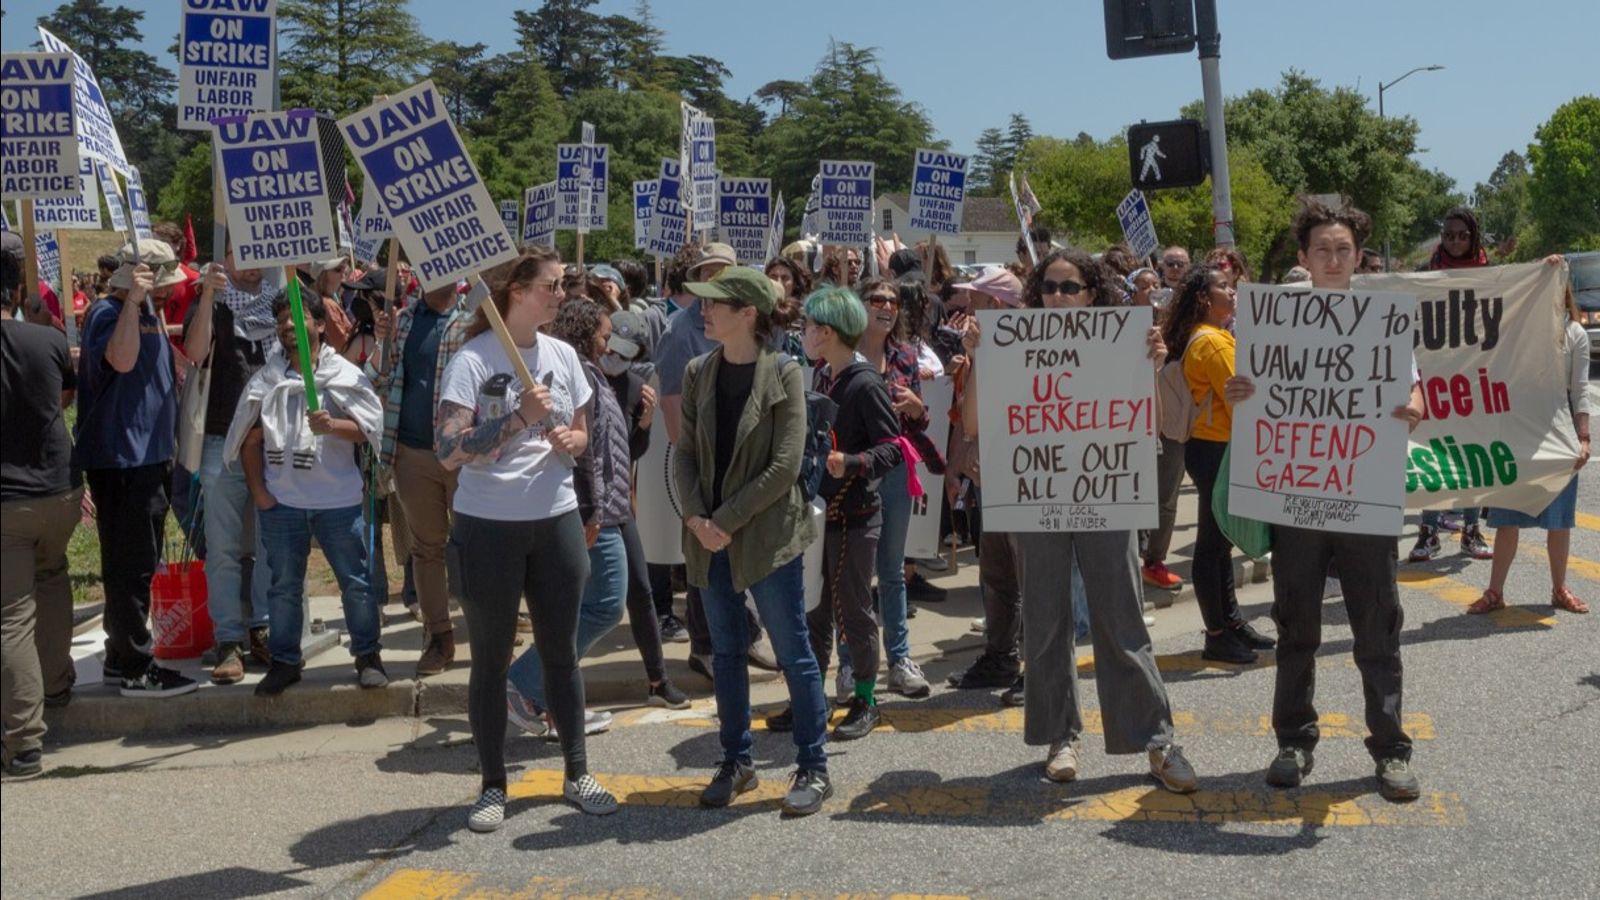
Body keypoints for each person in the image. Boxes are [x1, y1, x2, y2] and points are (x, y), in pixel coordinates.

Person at [962, 248, 1199, 792]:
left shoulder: (1123, 344)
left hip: (1106, 495)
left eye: (1070, 287)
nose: (1058, 297)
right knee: (1045, 621)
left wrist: (1155, 368)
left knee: (1123, 619)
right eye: (1048, 286)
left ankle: (1157, 740)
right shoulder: (1012, 344)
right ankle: (1060, 736)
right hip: (1038, 497)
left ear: (1092, 292)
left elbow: (1154, 428)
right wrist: (979, 359)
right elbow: (975, 421)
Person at [1224, 197, 1427, 803]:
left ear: (1358, 256)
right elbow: (1254, 393)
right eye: (1323, 249)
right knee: (1297, 627)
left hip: (1363, 496)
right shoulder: (1274, 319)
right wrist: (1242, 392)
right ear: (1304, 258)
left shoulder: (1383, 320)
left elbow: (1413, 389)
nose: (1334, 258)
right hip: (1298, 501)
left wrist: (1412, 408)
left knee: (1376, 627)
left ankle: (1390, 748)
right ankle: (1293, 741)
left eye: (1344, 249)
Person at [436, 248, 618, 833]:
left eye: (562, 285)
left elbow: (584, 433)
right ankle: (492, 785)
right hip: (487, 523)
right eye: (551, 286)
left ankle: (577, 771)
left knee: (561, 652)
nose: (561, 295)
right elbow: (447, 451)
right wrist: (515, 418)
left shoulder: (564, 355)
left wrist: (571, 439)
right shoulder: (472, 359)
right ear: (516, 291)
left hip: (555, 517)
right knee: (490, 660)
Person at [673, 266, 832, 816]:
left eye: (716, 303)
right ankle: (736, 761)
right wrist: (697, 518)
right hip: (710, 538)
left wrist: (726, 521)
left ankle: (813, 764)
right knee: (727, 652)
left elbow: (786, 464)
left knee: (793, 652)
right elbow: (685, 452)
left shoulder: (785, 373)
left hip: (765, 536)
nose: (703, 309)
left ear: (748, 314)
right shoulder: (699, 371)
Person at [505, 300, 687, 737]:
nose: (610, 341)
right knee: (605, 605)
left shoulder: (592, 374)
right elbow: (587, 456)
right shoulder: (582, 375)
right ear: (586, 334)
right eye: (604, 333)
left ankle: (548, 698)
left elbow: (614, 447)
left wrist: (640, 424)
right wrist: (593, 512)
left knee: (585, 607)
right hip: (597, 511)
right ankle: (522, 685)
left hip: (608, 507)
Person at [227, 290, 388, 696]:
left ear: (319, 325)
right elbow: (247, 441)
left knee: (356, 582)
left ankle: (367, 655)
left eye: (295, 317)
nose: (287, 324)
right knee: (283, 586)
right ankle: (284, 661)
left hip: (338, 502)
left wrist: (333, 426)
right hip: (283, 504)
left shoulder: (345, 376)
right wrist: (260, 493)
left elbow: (369, 431)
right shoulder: (267, 381)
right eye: (281, 317)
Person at [75, 240, 197, 698]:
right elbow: (121, 360)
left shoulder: (147, 313)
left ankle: (118, 653)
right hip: (123, 458)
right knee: (131, 567)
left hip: (150, 455)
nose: (168, 293)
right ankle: (135, 665)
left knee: (138, 562)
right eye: (162, 285)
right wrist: (130, 301)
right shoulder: (111, 314)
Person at [654, 242, 775, 677]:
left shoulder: (752, 323)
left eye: (724, 271)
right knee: (704, 556)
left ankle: (745, 635)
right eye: (709, 272)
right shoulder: (678, 331)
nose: (715, 279)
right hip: (705, 461)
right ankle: (705, 646)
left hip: (743, 459)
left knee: (739, 553)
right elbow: (671, 408)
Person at [1161, 265, 1277, 664]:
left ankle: (1231, 623)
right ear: (1204, 299)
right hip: (1217, 450)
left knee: (1220, 541)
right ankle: (1216, 634)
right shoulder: (1212, 343)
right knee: (1212, 546)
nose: (1232, 291)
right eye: (1224, 287)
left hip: (1212, 447)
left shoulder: (1207, 336)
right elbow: (1242, 400)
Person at [2, 232, 82, 778]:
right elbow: (65, 395)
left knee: (11, 615)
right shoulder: (47, 339)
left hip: (8, 502)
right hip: (61, 488)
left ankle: (25, 741)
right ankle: (56, 685)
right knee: (53, 577)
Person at [1470, 270, 1590, 615]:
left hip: (1559, 425)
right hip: (1516, 427)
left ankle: (1559, 589)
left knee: (1559, 517)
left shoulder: (1575, 334)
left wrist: (1583, 437)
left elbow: (1580, 391)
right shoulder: (1514, 332)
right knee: (1508, 512)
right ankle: (1495, 592)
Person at [369, 276, 472, 677]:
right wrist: (382, 341)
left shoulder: (476, 320)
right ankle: (439, 637)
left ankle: (484, 627)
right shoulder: (403, 321)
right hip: (412, 452)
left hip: (465, 456)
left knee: (476, 546)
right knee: (427, 549)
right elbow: (379, 380)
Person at [183, 255, 275, 684]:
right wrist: (206, 296)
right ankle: (229, 640)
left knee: (271, 545)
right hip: (222, 442)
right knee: (222, 549)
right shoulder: (213, 301)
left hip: (274, 442)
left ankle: (264, 628)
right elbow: (196, 353)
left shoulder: (282, 299)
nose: (253, 260)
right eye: (244, 249)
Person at [1409, 207, 1495, 563]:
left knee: (1472, 458)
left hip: (1474, 379)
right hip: (1433, 379)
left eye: (1462, 235)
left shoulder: (1492, 275)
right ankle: (1427, 533)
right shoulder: (1426, 274)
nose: (1455, 241)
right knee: (1433, 456)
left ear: (1473, 236)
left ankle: (1471, 531)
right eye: (1448, 235)